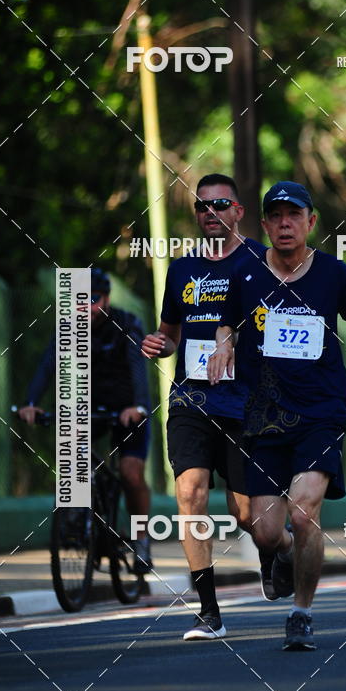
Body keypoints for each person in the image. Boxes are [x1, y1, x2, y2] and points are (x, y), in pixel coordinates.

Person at [208, 180, 346, 651]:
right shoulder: (247, 275)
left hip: (320, 409)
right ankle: (281, 557)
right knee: (264, 530)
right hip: (263, 414)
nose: (284, 223)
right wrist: (222, 348)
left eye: (293, 215)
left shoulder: (333, 274)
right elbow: (226, 321)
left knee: (304, 511)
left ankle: (301, 613)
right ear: (264, 224)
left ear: (310, 222)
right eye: (276, 216)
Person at [141, 173, 290, 642]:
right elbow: (171, 332)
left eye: (220, 204)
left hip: (247, 402)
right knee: (190, 494)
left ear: (239, 211)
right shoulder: (183, 269)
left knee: (250, 517)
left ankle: (275, 551)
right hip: (191, 398)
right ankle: (208, 610)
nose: (211, 213)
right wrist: (159, 344)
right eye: (202, 207)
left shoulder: (262, 262)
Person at [19, 267, 153, 572]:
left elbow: (138, 370)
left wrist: (139, 406)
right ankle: (79, 522)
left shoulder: (127, 325)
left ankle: (142, 540)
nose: (86, 307)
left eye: (93, 299)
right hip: (89, 408)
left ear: (106, 298)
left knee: (131, 474)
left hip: (126, 410)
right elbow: (47, 365)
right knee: (73, 457)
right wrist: (30, 403)